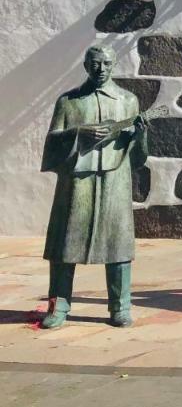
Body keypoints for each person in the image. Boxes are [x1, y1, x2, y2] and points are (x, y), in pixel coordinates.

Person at [39, 44, 147, 329]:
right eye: (95, 64)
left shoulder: (128, 100)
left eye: (107, 64)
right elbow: (51, 145)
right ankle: (58, 306)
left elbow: (137, 155)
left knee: (118, 244)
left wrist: (140, 135)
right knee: (65, 244)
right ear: (86, 66)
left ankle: (120, 307)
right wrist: (78, 133)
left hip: (115, 179)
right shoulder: (69, 101)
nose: (101, 70)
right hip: (77, 181)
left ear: (114, 65)